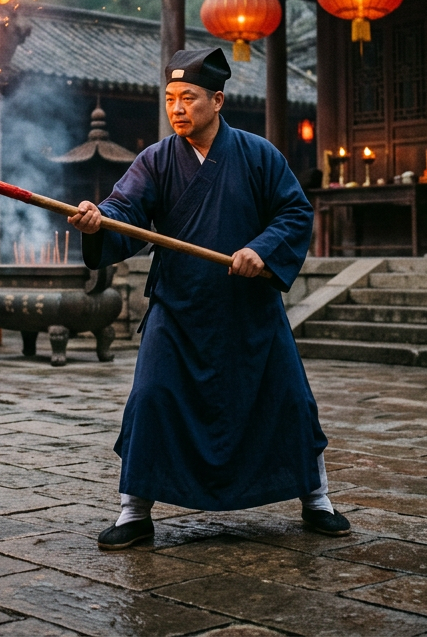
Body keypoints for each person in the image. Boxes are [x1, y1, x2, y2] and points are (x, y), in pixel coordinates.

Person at [69, 48, 346, 549]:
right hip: (179, 308)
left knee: (288, 399)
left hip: (249, 309)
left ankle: (317, 498)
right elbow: (124, 208)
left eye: (188, 98)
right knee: (152, 397)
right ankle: (134, 510)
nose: (177, 108)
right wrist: (99, 218)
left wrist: (262, 251)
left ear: (217, 100)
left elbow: (293, 212)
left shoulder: (259, 154)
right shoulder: (155, 159)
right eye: (170, 99)